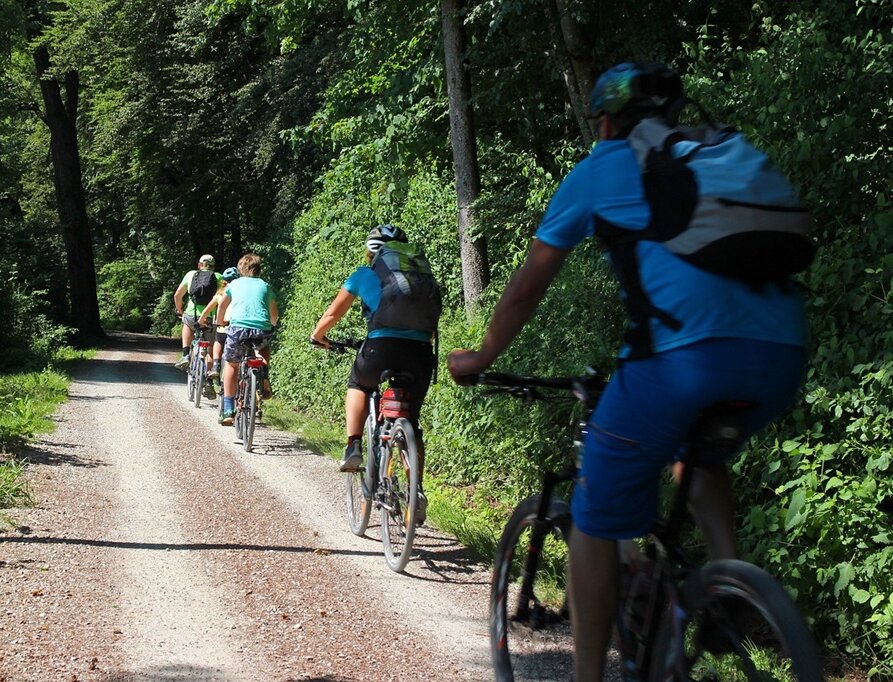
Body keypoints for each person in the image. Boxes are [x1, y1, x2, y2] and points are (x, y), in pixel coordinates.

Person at [447, 62, 807, 682]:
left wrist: (478, 358)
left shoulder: (602, 168)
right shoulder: (716, 155)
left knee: (595, 517)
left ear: (606, 121)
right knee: (696, 453)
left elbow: (526, 288)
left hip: (681, 363)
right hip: (780, 356)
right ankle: (727, 586)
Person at [310, 224, 437, 524]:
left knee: (358, 383)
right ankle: (415, 488)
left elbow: (332, 314)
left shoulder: (364, 275)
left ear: (371, 252)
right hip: (420, 352)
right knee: (412, 423)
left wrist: (318, 336)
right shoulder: (421, 276)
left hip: (380, 348)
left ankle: (353, 445)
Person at [215, 253, 279, 426]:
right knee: (264, 347)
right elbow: (274, 314)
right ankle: (263, 373)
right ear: (259, 269)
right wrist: (271, 324)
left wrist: (220, 321)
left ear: (240, 269)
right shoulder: (266, 286)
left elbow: (222, 305)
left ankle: (228, 409)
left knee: (231, 364)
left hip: (238, 329)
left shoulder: (234, 284)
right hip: (261, 329)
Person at [173, 254, 223, 371]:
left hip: (192, 314)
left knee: (187, 324)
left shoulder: (190, 275)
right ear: (213, 266)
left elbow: (177, 296)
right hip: (211, 317)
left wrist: (180, 310)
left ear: (200, 265)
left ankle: (185, 355)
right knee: (210, 348)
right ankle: (209, 380)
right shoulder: (219, 277)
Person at [199, 266, 240, 384]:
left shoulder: (220, 294)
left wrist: (201, 321)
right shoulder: (240, 294)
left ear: (224, 281)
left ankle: (216, 365)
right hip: (238, 327)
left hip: (223, 327)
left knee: (218, 341)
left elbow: (206, 311)